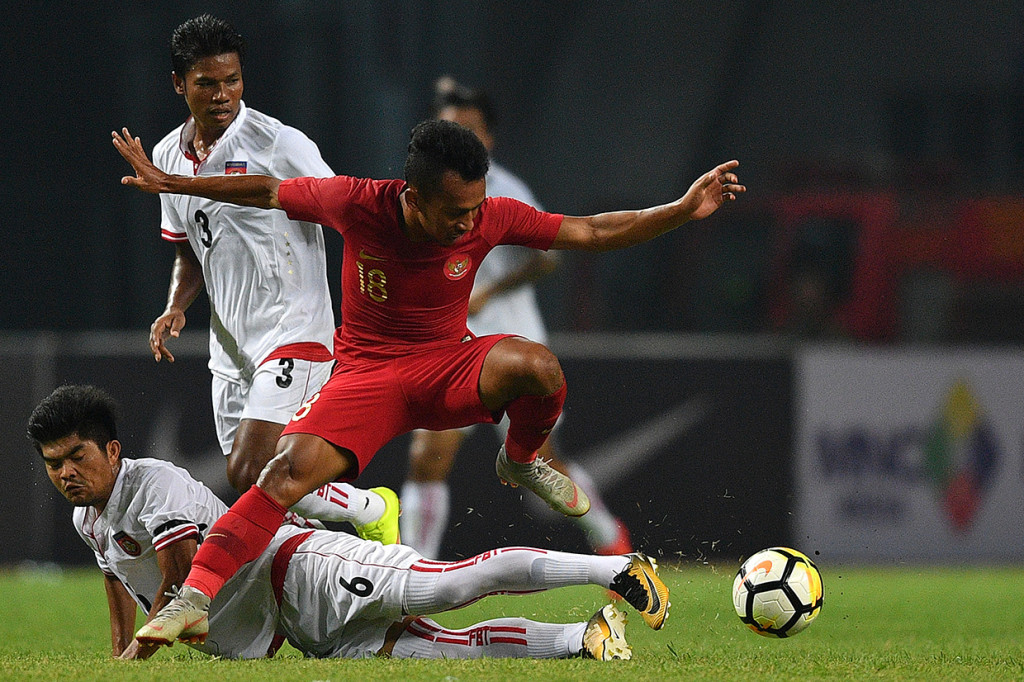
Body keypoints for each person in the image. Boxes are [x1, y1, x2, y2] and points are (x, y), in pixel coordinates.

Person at [111, 116, 743, 644]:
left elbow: (591, 230)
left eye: (474, 209)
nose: (469, 225)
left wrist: (684, 209)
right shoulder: (360, 203)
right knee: (278, 476)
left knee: (539, 366)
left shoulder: (489, 215)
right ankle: (193, 598)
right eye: (454, 213)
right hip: (368, 375)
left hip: (447, 364)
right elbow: (271, 191)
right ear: (412, 197)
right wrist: (175, 183)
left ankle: (522, 461)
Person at [28, 384, 671, 660]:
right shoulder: (92, 516)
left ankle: (617, 568)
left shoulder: (154, 485)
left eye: (76, 457)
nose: (66, 474)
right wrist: (117, 652)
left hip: (303, 571)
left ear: (111, 449)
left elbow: (175, 580)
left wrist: (138, 653)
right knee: (444, 648)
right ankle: (580, 642)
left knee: (450, 584)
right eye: (54, 465)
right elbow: (117, 576)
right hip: (293, 631)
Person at [147, 15, 397, 540]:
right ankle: (323, 594)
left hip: (295, 332)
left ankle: (371, 510)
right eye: (207, 84)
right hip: (231, 349)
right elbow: (189, 249)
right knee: (267, 492)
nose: (223, 95)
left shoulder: (277, 142)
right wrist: (176, 306)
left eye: (232, 80)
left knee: (251, 470)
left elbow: (346, 208)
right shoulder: (168, 155)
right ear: (179, 84)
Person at [402, 77, 632, 558]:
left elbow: (550, 256)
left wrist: (489, 290)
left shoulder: (504, 189)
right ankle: (411, 575)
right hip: (454, 350)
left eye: (467, 129)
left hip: (512, 347)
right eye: (449, 128)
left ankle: (610, 540)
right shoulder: (418, 195)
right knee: (427, 457)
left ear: (487, 139)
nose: (457, 139)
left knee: (541, 468)